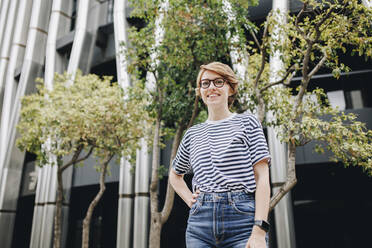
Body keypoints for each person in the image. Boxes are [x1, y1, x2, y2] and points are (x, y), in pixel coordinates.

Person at [169, 62, 271, 248]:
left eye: (218, 82)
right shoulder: (192, 134)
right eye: (205, 83)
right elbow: (175, 175)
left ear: (230, 88)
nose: (211, 88)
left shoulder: (248, 123)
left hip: (242, 221)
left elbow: (262, 178)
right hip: (200, 225)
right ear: (200, 91)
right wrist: (190, 199)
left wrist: (259, 230)